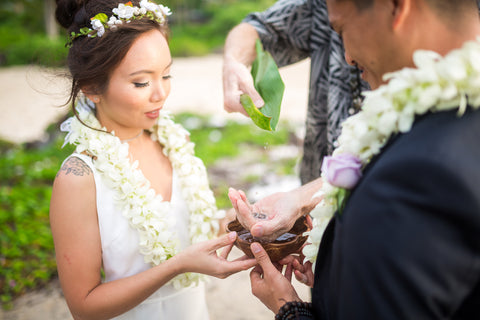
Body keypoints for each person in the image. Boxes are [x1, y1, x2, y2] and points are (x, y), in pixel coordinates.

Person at [230, 0, 480, 318]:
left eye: (342, 29)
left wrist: (288, 308)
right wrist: (339, 278)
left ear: (396, 7)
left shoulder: (412, 178)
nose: (347, 57)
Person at [50, 1, 256, 319]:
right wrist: (178, 265)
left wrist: (237, 223)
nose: (161, 93)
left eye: (166, 74)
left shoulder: (175, 142)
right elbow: (84, 306)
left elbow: (186, 231)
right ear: (92, 87)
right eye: (142, 82)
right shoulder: (79, 177)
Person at [222, 0, 370, 185]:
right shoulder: (320, 5)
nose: (348, 57)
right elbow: (257, 29)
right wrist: (233, 62)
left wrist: (304, 198)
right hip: (317, 175)